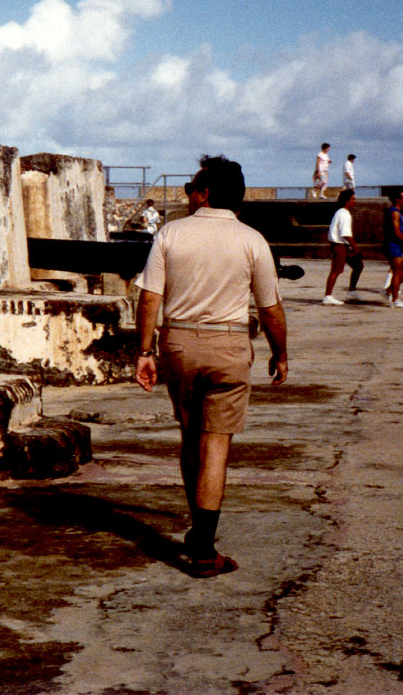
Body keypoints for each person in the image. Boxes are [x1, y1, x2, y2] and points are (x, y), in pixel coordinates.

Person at [133, 155, 288, 578]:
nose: (188, 196)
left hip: (179, 343)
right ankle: (203, 547)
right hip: (230, 345)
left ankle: (198, 528)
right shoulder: (252, 240)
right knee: (215, 444)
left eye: (193, 188)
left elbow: (150, 298)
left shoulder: (170, 233)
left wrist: (144, 351)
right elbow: (270, 308)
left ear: (205, 193)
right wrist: (281, 352)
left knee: (190, 435)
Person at [323, 189, 363, 305]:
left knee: (358, 266)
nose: (355, 201)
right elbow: (344, 233)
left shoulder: (342, 212)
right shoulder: (344, 214)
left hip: (343, 245)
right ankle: (328, 296)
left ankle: (352, 291)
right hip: (339, 245)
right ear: (347, 201)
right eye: (353, 199)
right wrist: (355, 246)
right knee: (336, 270)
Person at [382, 191, 403, 308]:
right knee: (397, 271)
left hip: (399, 245)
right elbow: (396, 232)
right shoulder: (394, 212)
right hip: (393, 244)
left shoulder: (398, 212)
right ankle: (395, 300)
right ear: (397, 199)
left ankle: (390, 289)